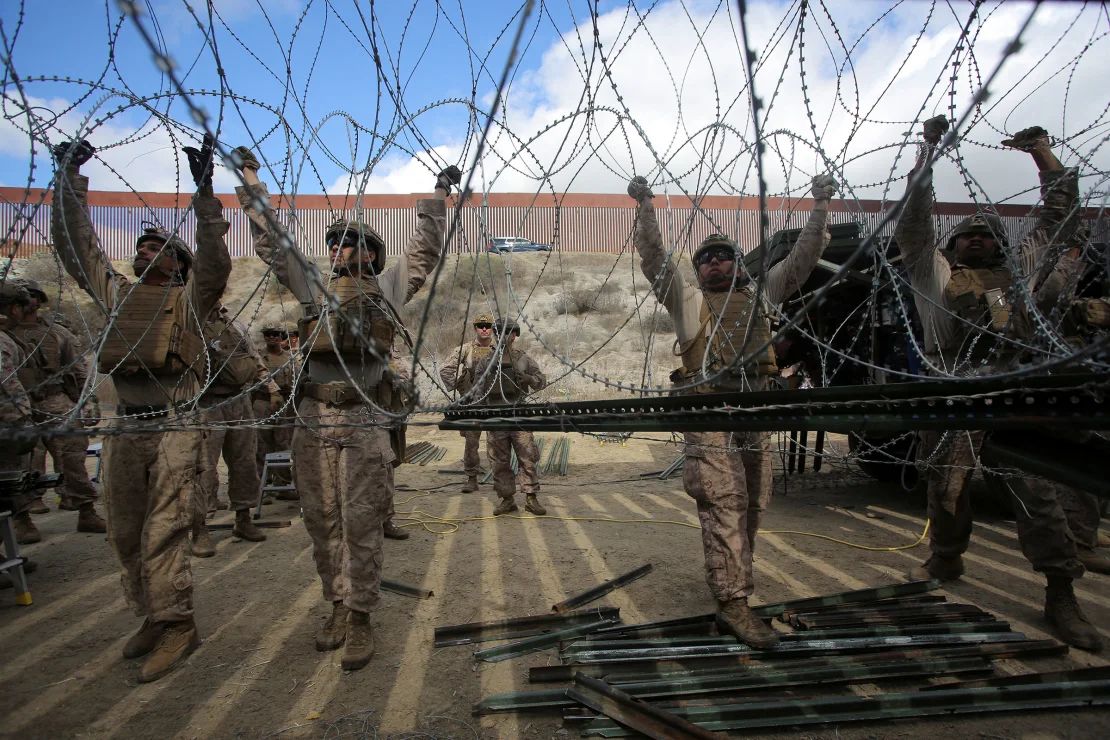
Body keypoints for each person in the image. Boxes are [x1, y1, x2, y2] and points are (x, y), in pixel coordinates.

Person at [233, 144, 459, 671]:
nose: (337, 248)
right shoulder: (313, 288)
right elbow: (271, 240)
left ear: (372, 255)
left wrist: (438, 198)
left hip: (362, 419)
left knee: (360, 521)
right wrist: (249, 178)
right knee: (322, 520)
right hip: (312, 420)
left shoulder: (387, 289)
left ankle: (360, 617)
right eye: (333, 241)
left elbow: (425, 250)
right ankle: (336, 605)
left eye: (350, 242)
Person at [896, 118, 1101, 651]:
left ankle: (1061, 593)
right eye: (969, 234)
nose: (979, 241)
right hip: (953, 389)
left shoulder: (1021, 275)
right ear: (953, 242)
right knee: (946, 488)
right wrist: (927, 155)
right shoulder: (932, 272)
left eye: (988, 234)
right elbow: (914, 224)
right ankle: (946, 557)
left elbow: (1060, 218)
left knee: (1037, 494)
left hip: (1011, 390)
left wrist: (1042, 155)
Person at [627, 172, 838, 648]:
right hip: (710, 416)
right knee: (724, 503)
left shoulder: (763, 295)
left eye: (724, 256)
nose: (716, 264)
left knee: (753, 506)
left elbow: (802, 259)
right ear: (698, 272)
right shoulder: (689, 302)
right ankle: (733, 604)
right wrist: (645, 207)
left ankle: (737, 585)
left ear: (739, 264)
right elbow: (656, 260)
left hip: (755, 416)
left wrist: (820, 204)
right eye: (706, 260)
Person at [51, 135, 231, 681]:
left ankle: (179, 624)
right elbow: (76, 248)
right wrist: (69, 183)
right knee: (125, 531)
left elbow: (217, 261)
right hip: (126, 427)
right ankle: (151, 615)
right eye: (143, 245)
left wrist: (205, 194)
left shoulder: (192, 300)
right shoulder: (118, 296)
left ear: (179, 265)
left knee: (165, 529)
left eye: (159, 248)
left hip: (177, 424)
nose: (146, 250)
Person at [6, 278, 105, 540]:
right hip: (16, 408)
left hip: (55, 400)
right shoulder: (6, 337)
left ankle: (85, 508)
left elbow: (78, 370)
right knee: (21, 463)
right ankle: (22, 516)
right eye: (23, 297)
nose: (29, 302)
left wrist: (87, 403)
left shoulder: (57, 334)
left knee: (73, 455)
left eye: (33, 296)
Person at [189, 304, 275, 557]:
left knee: (245, 462)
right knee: (203, 466)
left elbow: (253, 357)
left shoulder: (233, 323)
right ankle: (199, 528)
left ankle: (243, 518)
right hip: (206, 403)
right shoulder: (190, 319)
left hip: (239, 400)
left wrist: (271, 387)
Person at [469, 317, 547, 516]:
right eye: (498, 332)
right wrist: (479, 414)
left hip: (519, 415)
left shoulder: (524, 359)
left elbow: (541, 381)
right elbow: (477, 389)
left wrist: (529, 378)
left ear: (514, 335)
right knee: (498, 460)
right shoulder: (486, 361)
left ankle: (531, 497)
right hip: (496, 417)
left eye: (507, 331)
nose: (502, 335)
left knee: (527, 457)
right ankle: (507, 499)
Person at [439, 312, 496, 492]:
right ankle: (472, 479)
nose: (484, 329)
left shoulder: (499, 349)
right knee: (472, 442)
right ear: (475, 328)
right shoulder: (464, 350)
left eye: (487, 326)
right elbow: (446, 370)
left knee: (497, 442)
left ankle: (499, 478)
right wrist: (462, 386)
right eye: (481, 325)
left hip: (495, 402)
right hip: (473, 404)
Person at [254, 326, 298, 498]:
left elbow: (296, 379)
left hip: (284, 404)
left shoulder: (289, 358)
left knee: (283, 443)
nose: (271, 337)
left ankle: (282, 484)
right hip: (263, 402)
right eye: (267, 335)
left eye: (275, 334)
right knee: (261, 444)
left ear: (281, 337)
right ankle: (260, 488)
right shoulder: (259, 357)